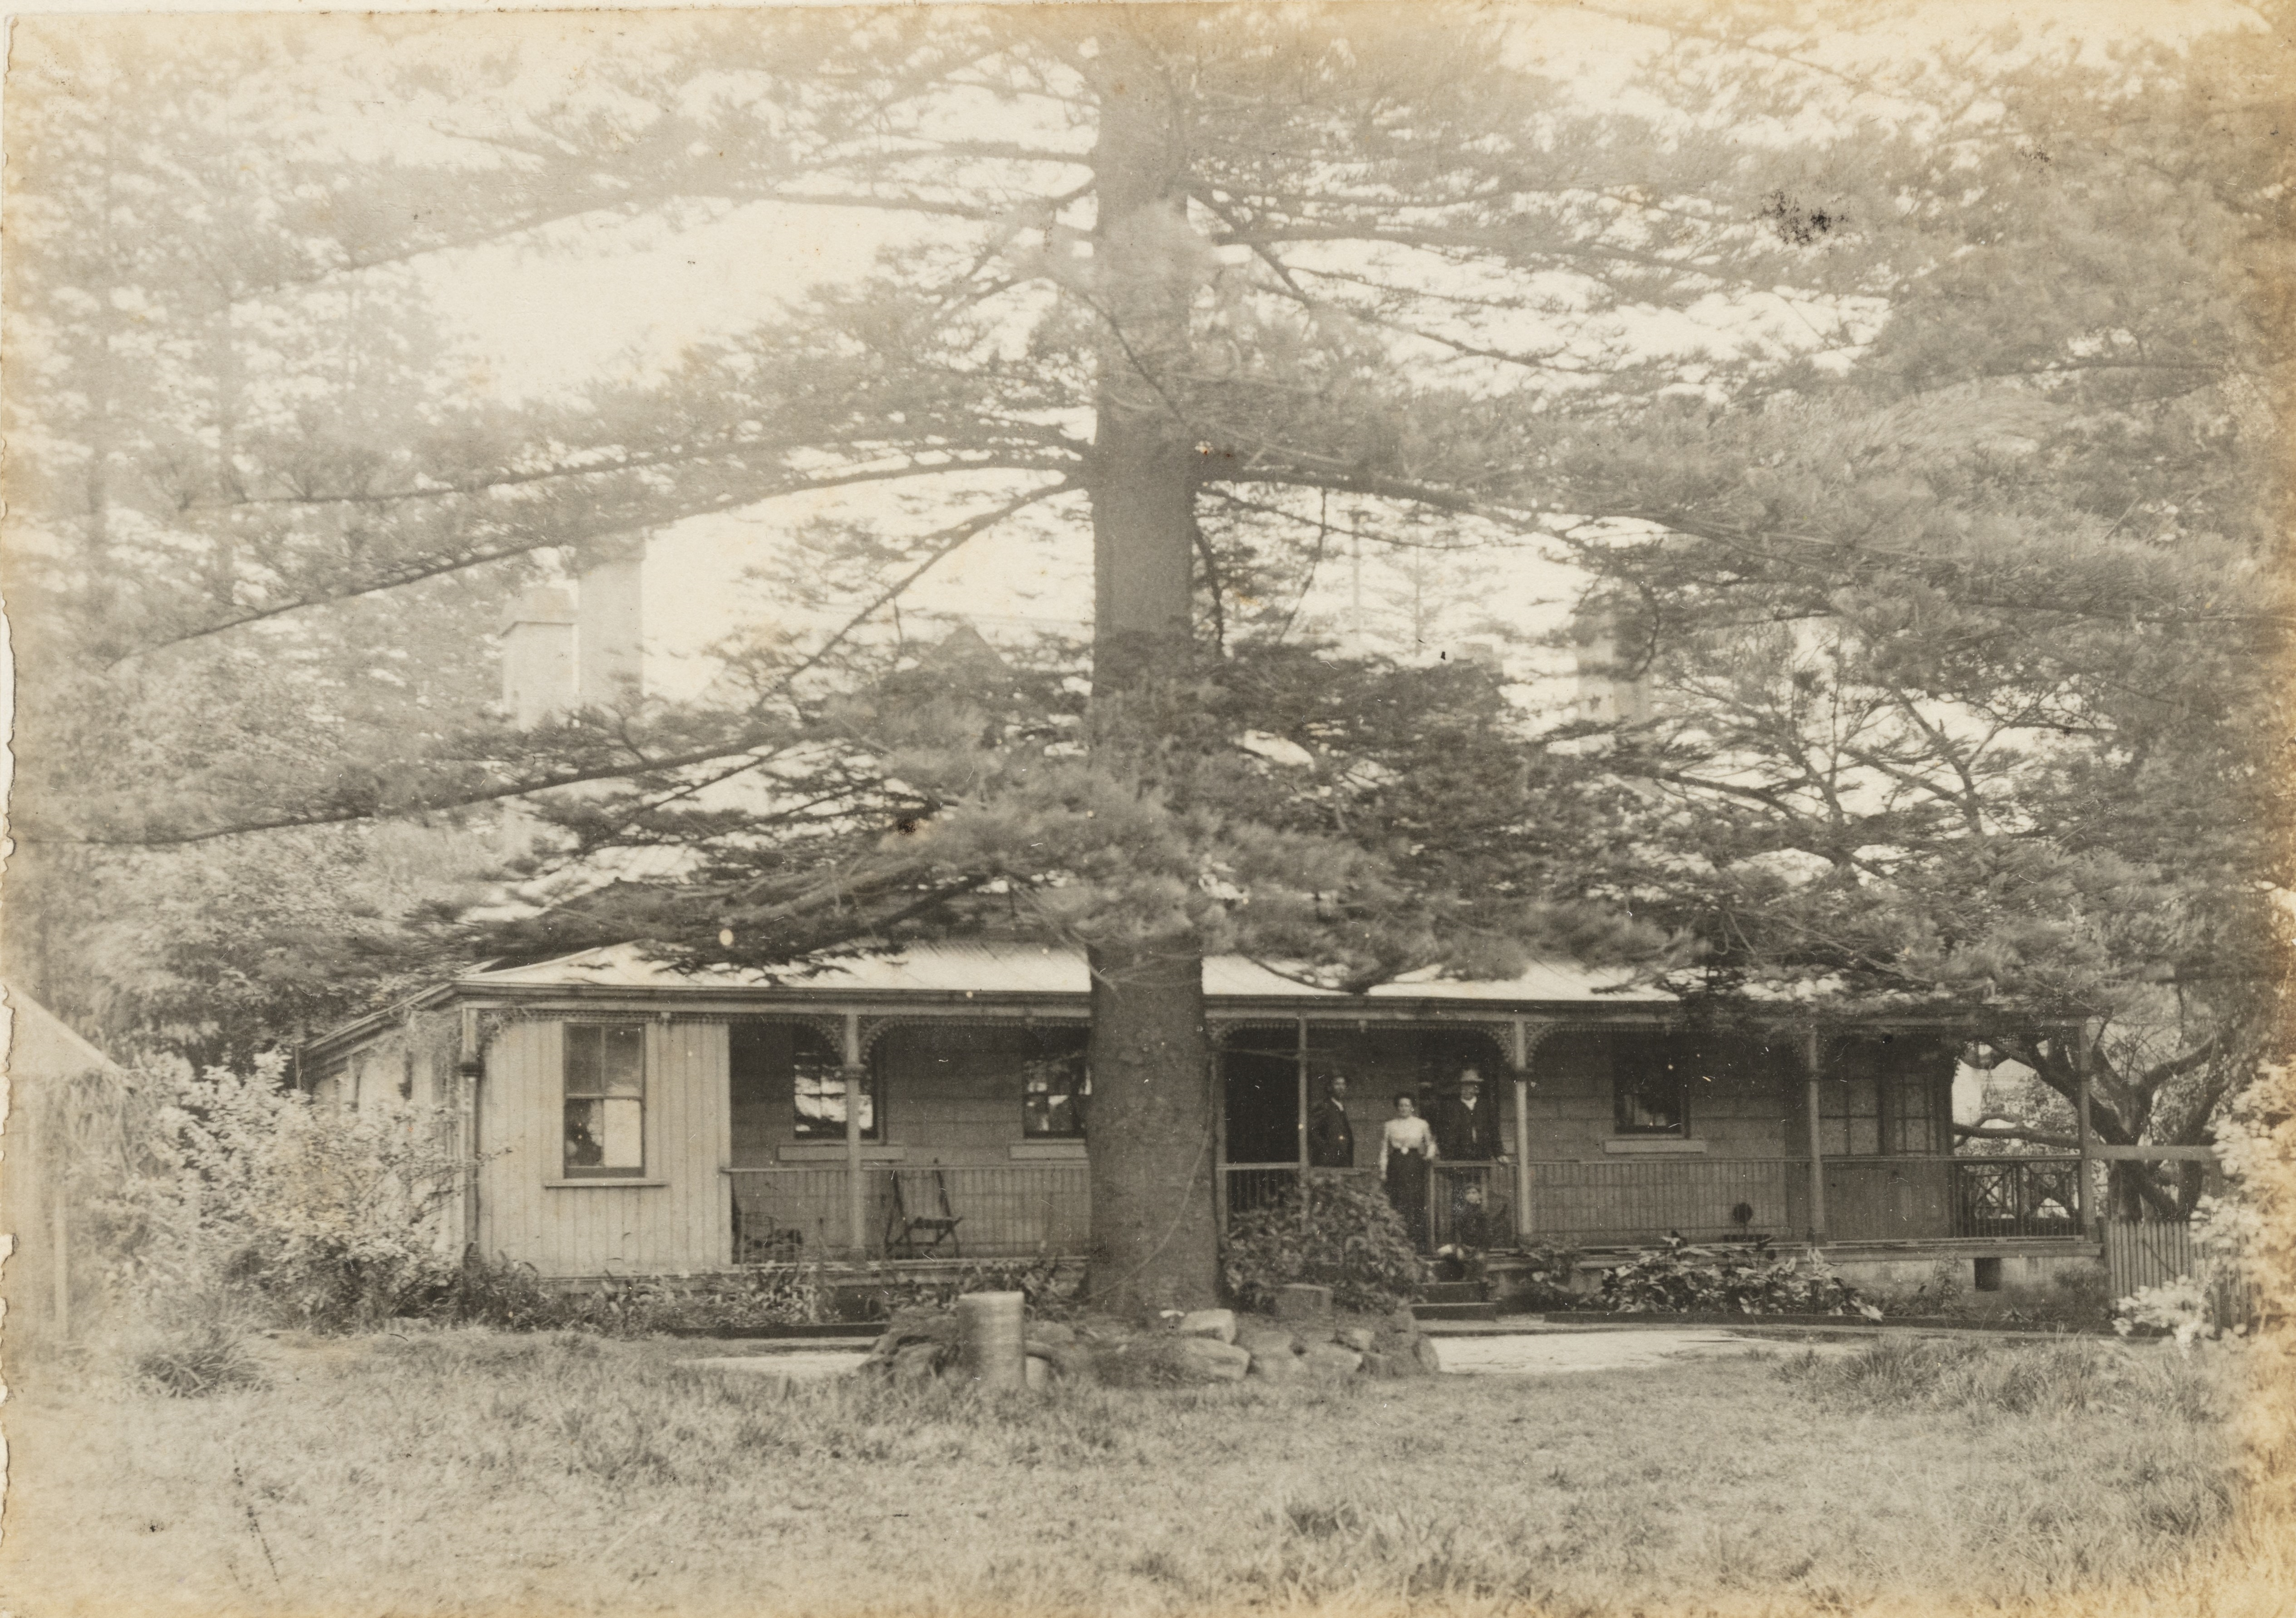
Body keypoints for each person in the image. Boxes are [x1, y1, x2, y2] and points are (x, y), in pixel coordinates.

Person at [1379, 1092, 1438, 1247]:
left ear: (1412, 1107)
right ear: (1397, 1107)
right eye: (1401, 1105)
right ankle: (1397, 1239)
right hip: (1396, 1163)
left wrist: (1429, 1156)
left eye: (1407, 1105)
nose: (1404, 1108)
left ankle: (1416, 1240)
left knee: (1414, 1199)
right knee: (1397, 1199)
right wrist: (1384, 1170)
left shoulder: (1421, 1124)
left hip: (1414, 1162)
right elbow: (1385, 1149)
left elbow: (1431, 1143)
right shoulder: (1390, 1125)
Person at [1307, 1072, 1355, 1169]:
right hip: (1329, 1161)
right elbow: (1312, 1130)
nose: (1341, 1087)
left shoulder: (1341, 1107)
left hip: (1343, 1159)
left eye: (1344, 1084)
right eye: (1337, 1084)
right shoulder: (1325, 1106)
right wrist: (1326, 1150)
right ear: (1330, 1087)